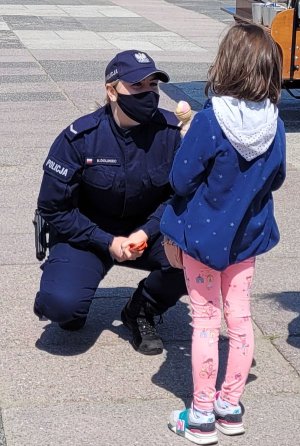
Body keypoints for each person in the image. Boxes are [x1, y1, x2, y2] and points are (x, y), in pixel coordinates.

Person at [161, 24, 286, 444]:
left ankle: (199, 415)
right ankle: (229, 407)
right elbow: (278, 178)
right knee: (241, 318)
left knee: (205, 322)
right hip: (246, 238)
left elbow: (180, 181)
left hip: (202, 239)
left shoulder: (210, 122)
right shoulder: (275, 125)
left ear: (225, 65)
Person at [34, 49, 187, 355]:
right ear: (112, 91)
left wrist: (146, 232)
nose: (148, 94)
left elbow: (177, 195)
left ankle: (141, 309)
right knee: (62, 306)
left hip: (145, 232)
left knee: (196, 260)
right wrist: (106, 241)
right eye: (137, 86)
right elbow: (53, 207)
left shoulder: (170, 133)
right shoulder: (80, 137)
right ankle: (71, 288)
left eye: (153, 85)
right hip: (87, 233)